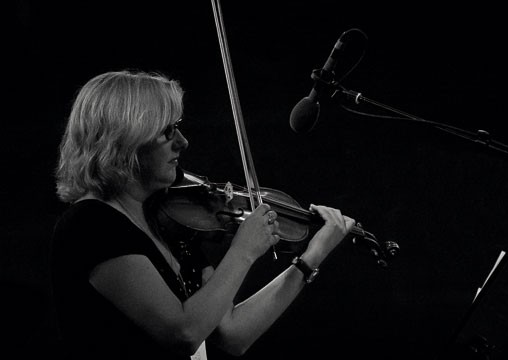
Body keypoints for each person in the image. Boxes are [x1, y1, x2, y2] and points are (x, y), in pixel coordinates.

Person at [51, 70, 355, 360]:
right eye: (167, 131)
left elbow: (233, 333)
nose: (183, 142)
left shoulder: (168, 226)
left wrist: (310, 259)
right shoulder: (90, 225)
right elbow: (183, 332)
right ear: (124, 141)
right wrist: (243, 251)